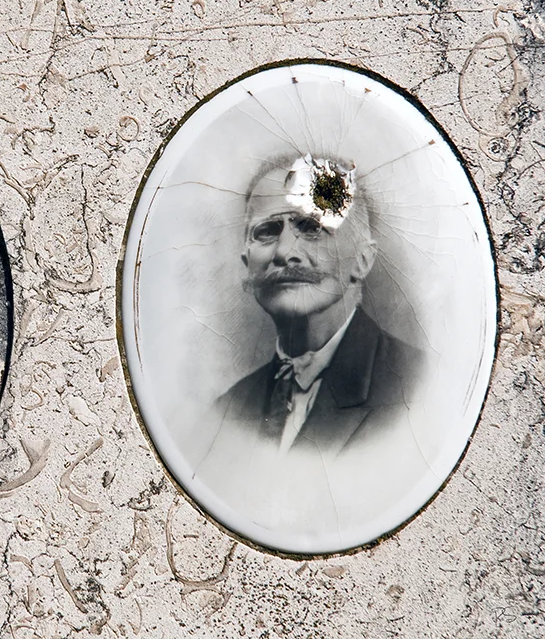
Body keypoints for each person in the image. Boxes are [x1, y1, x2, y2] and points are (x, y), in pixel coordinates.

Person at [183, 155, 431, 542]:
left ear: (363, 259)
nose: (285, 251)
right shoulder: (226, 412)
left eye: (312, 227)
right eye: (267, 231)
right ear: (247, 262)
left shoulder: (418, 393)